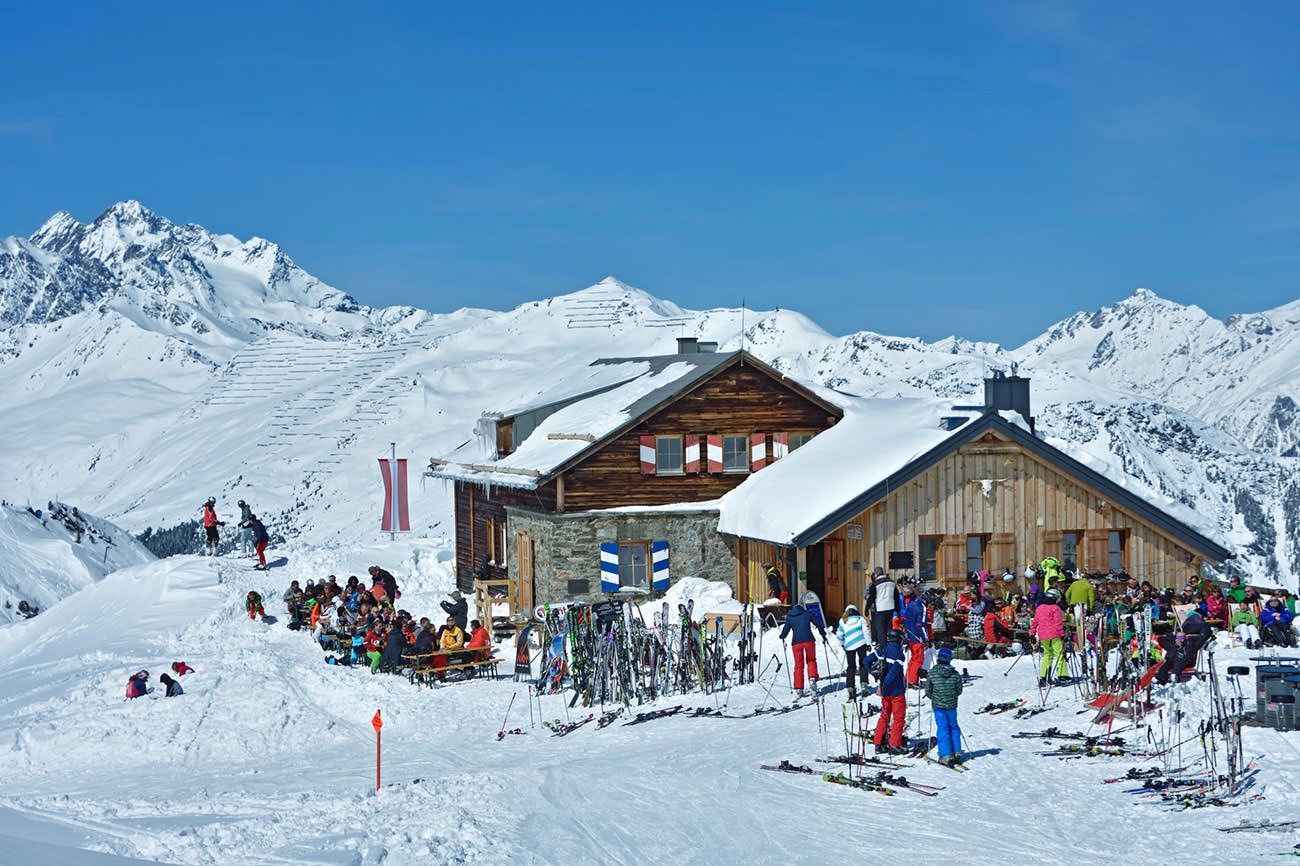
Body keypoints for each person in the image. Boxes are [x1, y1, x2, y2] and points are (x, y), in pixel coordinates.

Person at [863, 628, 907, 753]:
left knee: (884, 715)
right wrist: (886, 684)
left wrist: (874, 675)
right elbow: (893, 673)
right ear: (898, 640)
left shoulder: (882, 649)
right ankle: (894, 744)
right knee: (898, 718)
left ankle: (878, 742)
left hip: (885, 692)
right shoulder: (899, 654)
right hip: (896, 691)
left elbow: (866, 661)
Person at [779, 598, 827, 697]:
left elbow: (785, 630)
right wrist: (823, 634)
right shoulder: (807, 613)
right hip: (809, 640)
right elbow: (818, 623)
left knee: (798, 665)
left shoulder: (790, 617)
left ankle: (799, 689)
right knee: (811, 660)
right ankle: (812, 678)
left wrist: (782, 636)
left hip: (796, 643)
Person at [925, 646, 964, 766]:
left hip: (939, 707)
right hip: (952, 706)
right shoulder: (955, 674)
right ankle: (957, 752)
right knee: (954, 727)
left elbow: (928, 691)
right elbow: (959, 690)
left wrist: (935, 697)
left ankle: (946, 755)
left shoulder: (932, 673)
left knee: (943, 728)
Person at [1031, 589, 1068, 687]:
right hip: (1055, 635)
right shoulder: (1055, 608)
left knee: (1047, 655)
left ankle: (1043, 677)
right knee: (1059, 654)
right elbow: (1058, 623)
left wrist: (1032, 633)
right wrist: (1062, 635)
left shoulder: (1039, 608)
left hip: (1043, 635)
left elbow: (1035, 622)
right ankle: (1062, 676)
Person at [836, 604, 871, 699]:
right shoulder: (860, 619)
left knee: (851, 667)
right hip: (861, 643)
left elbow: (839, 635)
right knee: (863, 664)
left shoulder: (842, 621)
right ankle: (864, 685)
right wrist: (868, 643)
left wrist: (842, 644)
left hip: (849, 646)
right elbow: (866, 631)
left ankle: (850, 688)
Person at [898, 582, 928, 685]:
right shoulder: (920, 606)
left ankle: (909, 678)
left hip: (909, 635)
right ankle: (911, 680)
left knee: (914, 658)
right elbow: (921, 624)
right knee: (918, 659)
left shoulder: (907, 604)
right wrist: (926, 638)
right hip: (917, 636)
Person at [865, 566, 898, 648]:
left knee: (880, 630)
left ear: (876, 574)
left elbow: (871, 598)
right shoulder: (892, 582)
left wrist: (866, 609)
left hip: (880, 609)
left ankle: (883, 648)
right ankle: (890, 645)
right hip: (891, 608)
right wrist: (897, 608)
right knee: (888, 628)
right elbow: (896, 596)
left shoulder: (875, 584)